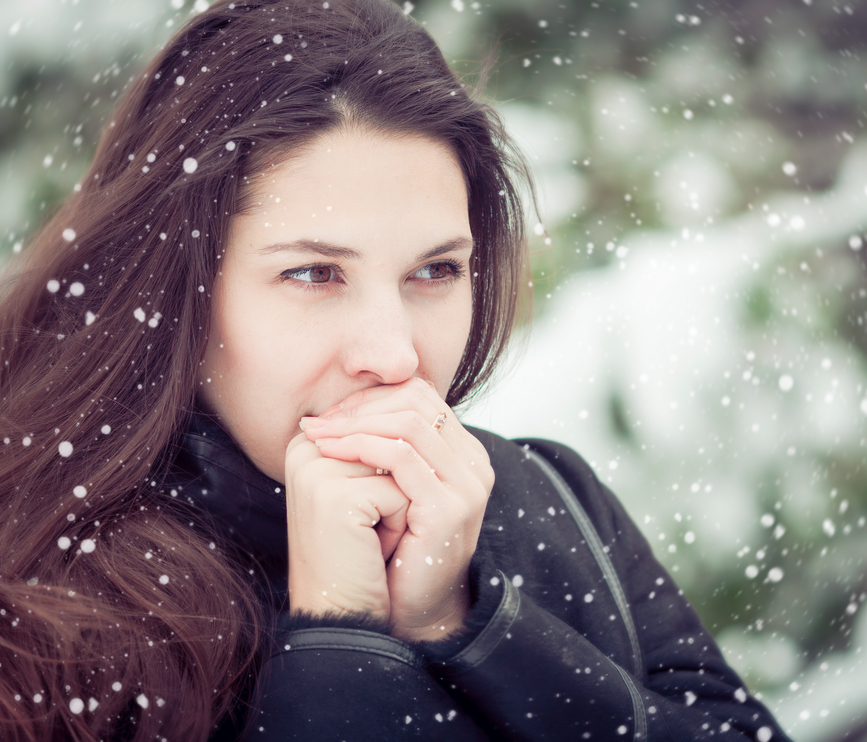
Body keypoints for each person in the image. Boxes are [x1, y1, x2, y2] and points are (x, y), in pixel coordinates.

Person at [0, 1, 792, 740]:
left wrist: (466, 625)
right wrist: (341, 637)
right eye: (314, 274)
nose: (396, 354)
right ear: (179, 291)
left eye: (435, 271)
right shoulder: (37, 607)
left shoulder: (552, 505)